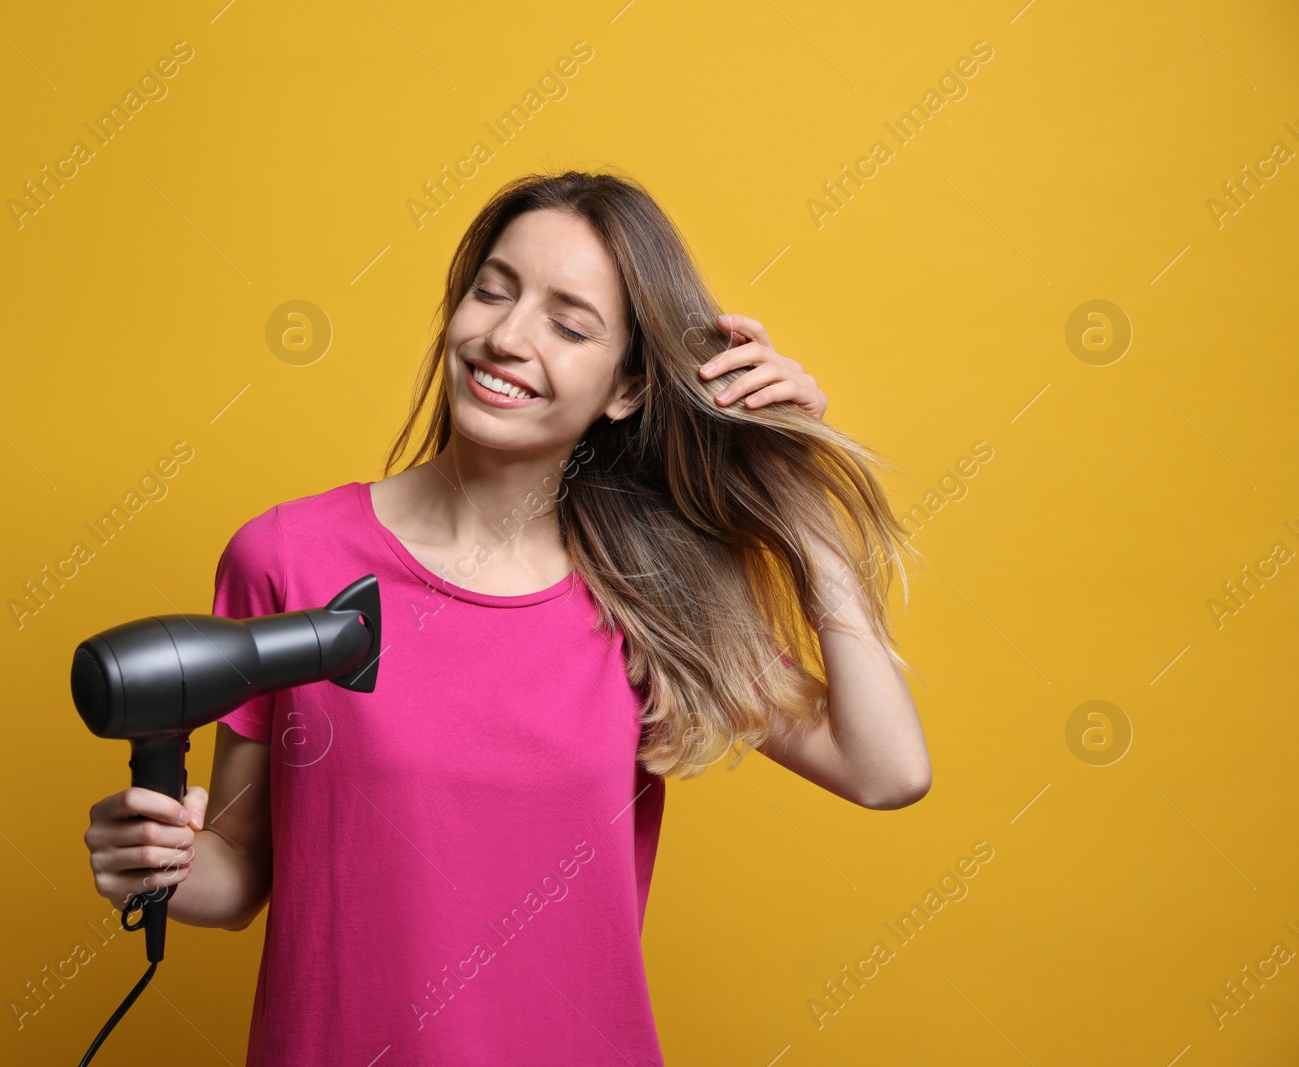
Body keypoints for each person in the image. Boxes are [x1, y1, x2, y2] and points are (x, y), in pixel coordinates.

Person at [83, 169, 930, 1064]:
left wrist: (801, 505)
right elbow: (241, 874)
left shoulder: (646, 599)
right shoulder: (288, 558)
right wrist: (159, 862)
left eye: (569, 325)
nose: (506, 337)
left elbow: (885, 769)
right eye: (492, 291)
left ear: (627, 390)